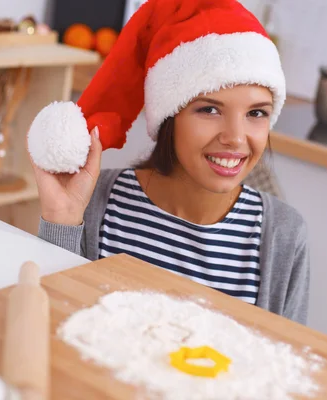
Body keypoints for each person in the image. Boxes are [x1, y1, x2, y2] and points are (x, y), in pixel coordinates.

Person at [28, 0, 310, 325]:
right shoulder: (94, 204)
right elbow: (46, 326)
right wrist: (62, 220)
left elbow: (283, 361)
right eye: (210, 109)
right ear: (169, 117)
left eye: (256, 113)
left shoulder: (284, 236)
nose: (236, 137)